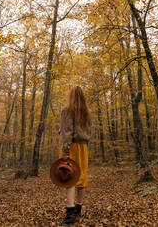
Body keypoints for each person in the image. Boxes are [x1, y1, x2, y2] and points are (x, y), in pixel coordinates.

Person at [60, 86, 92, 225]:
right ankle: (78, 209)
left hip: (72, 146)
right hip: (83, 147)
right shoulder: (87, 112)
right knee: (81, 177)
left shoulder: (67, 110)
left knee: (70, 179)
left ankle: (70, 213)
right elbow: (89, 132)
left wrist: (65, 151)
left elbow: (67, 131)